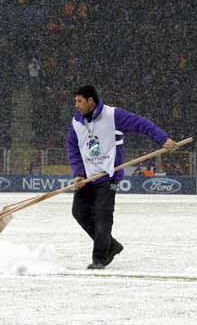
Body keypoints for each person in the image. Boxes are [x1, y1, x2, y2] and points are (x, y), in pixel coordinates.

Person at [67, 85, 177, 269]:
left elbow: (141, 124)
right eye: (75, 101)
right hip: (87, 177)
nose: (76, 105)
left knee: (103, 216)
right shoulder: (76, 123)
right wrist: (78, 174)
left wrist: (163, 139)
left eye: (79, 101)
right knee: (79, 213)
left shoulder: (113, 115)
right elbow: (73, 149)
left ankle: (100, 259)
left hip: (108, 176)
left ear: (90, 101)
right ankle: (112, 245)